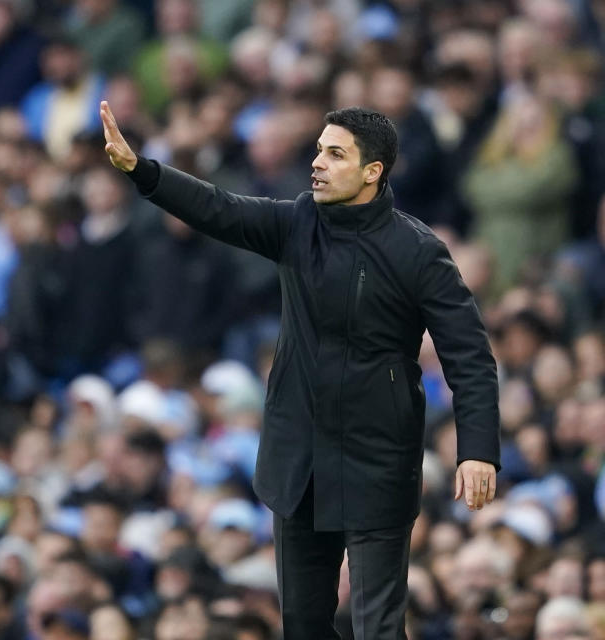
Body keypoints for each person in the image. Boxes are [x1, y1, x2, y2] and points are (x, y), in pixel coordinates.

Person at [100, 100, 501, 639]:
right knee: (304, 627)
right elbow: (217, 207)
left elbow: (470, 355)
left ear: (371, 172)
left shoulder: (418, 251)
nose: (317, 162)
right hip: (299, 457)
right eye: (317, 150)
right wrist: (140, 169)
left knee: (378, 627)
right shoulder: (296, 222)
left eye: (335, 154)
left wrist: (476, 449)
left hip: (377, 457)